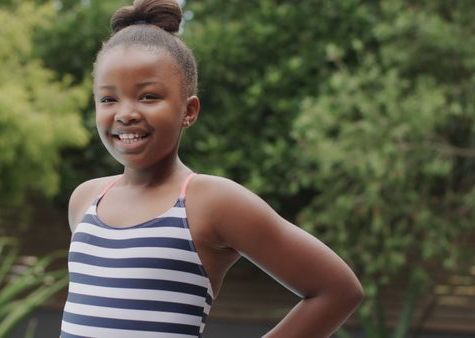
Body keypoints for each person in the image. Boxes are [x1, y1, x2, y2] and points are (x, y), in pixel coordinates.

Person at [60, 0, 363, 337]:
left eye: (148, 96)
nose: (125, 113)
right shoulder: (85, 199)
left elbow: (338, 290)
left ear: (189, 111)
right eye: (108, 99)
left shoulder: (209, 201)